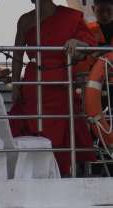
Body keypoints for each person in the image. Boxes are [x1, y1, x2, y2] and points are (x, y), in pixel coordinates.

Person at [8, 0, 97, 176]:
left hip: (60, 83)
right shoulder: (25, 20)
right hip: (33, 84)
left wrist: (76, 42)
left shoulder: (70, 16)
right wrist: (16, 85)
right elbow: (17, 54)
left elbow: (90, 45)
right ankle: (33, 172)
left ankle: (60, 172)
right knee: (32, 129)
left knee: (60, 132)